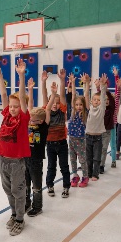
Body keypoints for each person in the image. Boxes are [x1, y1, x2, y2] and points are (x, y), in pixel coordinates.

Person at [0, 57, 30, 236]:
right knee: (7, 189)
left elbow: (21, 97)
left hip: (16, 162)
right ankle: (14, 214)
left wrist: (21, 77)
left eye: (16, 106)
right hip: (3, 159)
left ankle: (20, 219)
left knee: (17, 190)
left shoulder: (23, 118)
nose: (13, 108)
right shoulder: (7, 113)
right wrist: (0, 74)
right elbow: (3, 94)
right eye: (12, 106)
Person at [24, 76, 52, 217]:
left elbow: (47, 108)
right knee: (26, 185)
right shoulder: (29, 121)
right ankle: (27, 203)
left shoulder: (43, 127)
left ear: (41, 121)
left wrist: (49, 92)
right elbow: (30, 107)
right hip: (25, 158)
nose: (31, 121)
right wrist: (29, 90)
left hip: (36, 161)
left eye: (34, 119)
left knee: (36, 186)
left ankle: (37, 206)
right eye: (31, 118)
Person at [42, 69, 70, 198]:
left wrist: (62, 80)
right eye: (53, 102)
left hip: (62, 143)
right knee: (51, 166)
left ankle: (66, 187)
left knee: (64, 165)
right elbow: (44, 96)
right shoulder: (46, 112)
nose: (55, 104)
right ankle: (50, 185)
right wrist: (43, 82)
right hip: (50, 144)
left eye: (57, 103)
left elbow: (63, 96)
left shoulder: (62, 111)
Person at [68, 73, 90, 187]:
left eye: (80, 105)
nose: (78, 107)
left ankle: (85, 176)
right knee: (72, 159)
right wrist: (72, 82)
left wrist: (86, 83)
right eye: (76, 105)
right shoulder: (72, 111)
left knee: (82, 159)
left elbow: (86, 95)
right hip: (71, 139)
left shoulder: (85, 113)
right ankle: (75, 175)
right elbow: (73, 96)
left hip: (80, 140)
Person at [85, 74, 108, 181]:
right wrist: (86, 84)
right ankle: (89, 173)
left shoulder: (101, 109)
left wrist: (103, 86)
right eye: (94, 100)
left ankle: (95, 174)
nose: (97, 101)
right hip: (88, 136)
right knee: (88, 158)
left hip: (98, 137)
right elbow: (86, 96)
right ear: (91, 101)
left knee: (96, 158)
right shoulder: (89, 109)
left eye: (98, 100)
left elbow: (103, 97)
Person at [100, 86, 116, 174]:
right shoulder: (100, 110)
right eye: (104, 99)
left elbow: (113, 102)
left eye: (107, 100)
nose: (106, 101)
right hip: (99, 132)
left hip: (107, 132)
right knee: (98, 149)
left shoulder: (111, 109)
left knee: (104, 148)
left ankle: (101, 165)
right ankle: (96, 164)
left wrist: (108, 93)